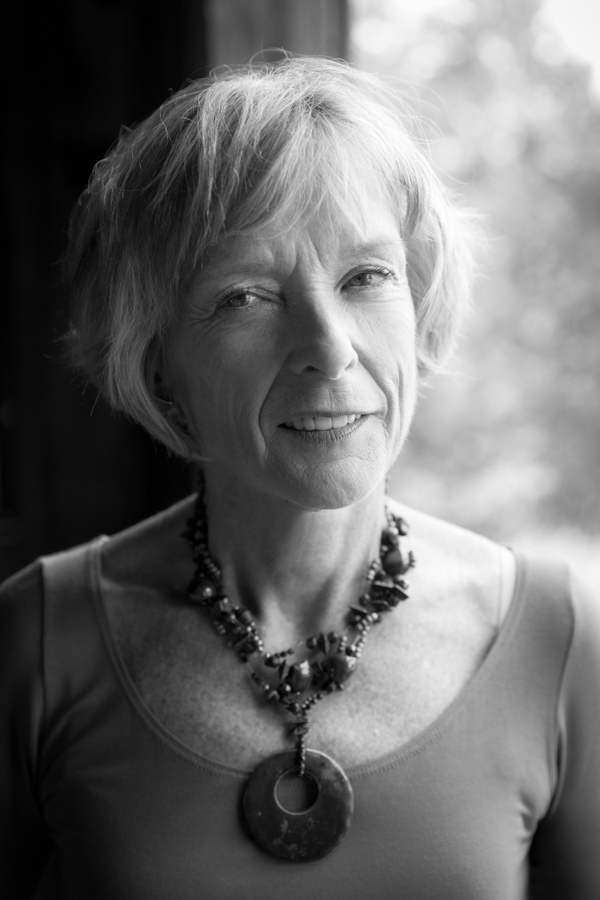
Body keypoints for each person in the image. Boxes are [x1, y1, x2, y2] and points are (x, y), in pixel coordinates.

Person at [1, 54, 599, 900]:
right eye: (246, 296)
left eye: (366, 277)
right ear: (155, 357)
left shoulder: (557, 637)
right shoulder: (36, 642)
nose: (330, 347)